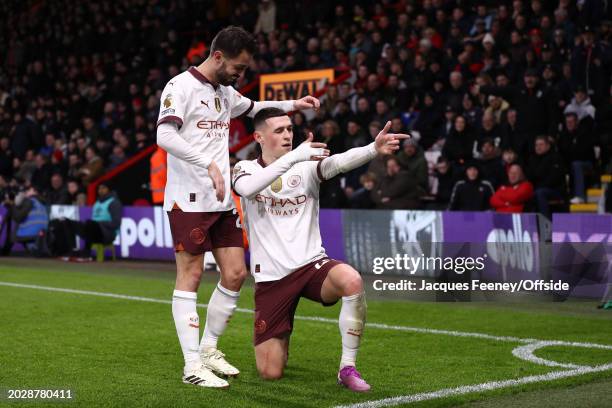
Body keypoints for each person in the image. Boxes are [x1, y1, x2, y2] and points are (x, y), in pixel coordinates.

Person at [155, 26, 321, 388]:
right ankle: (191, 365)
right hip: (188, 199)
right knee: (192, 276)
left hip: (221, 199)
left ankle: (210, 348)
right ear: (218, 57)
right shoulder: (179, 87)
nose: (241, 75)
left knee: (234, 273)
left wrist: (295, 105)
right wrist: (209, 163)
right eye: (239, 67)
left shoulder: (224, 93)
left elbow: (254, 108)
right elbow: (164, 135)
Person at [232, 109, 407, 391]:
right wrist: (294, 157)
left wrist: (373, 149)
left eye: (289, 129)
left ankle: (347, 368)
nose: (287, 135)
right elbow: (249, 189)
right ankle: (281, 332)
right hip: (272, 278)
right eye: (279, 131)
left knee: (351, 280)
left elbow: (338, 163)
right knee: (270, 372)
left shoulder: (305, 166)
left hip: (310, 266)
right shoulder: (245, 169)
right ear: (259, 137)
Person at [66, 182, 122, 258]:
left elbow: (116, 223)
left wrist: (99, 223)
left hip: (107, 234)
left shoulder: (114, 203)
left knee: (90, 224)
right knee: (68, 222)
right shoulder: (97, 203)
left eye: (103, 188)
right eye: (99, 188)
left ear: (109, 189)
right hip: (94, 230)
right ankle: (72, 250)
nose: (100, 190)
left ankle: (86, 253)